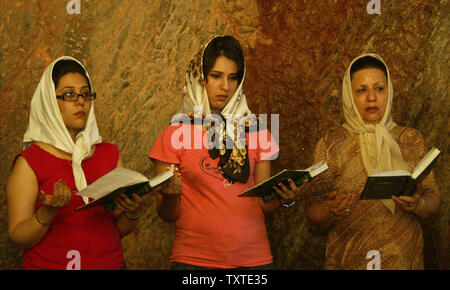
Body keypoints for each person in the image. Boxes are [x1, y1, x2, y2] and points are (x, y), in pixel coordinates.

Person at [149, 35, 305, 269]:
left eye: (233, 78)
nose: (226, 87)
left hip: (253, 261)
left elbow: (264, 204)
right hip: (194, 261)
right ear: (199, 78)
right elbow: (167, 215)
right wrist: (170, 195)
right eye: (216, 76)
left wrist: (285, 198)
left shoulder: (256, 130)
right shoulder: (176, 134)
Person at [6, 56, 145, 270]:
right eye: (69, 95)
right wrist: (48, 211)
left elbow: (115, 230)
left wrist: (133, 211)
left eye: (85, 94)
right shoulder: (30, 162)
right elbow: (18, 238)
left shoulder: (109, 154)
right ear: (50, 103)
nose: (80, 101)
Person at [304, 53, 441, 269]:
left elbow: (433, 200)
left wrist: (418, 204)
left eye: (379, 88)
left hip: (403, 259)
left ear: (389, 91)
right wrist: (331, 210)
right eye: (361, 90)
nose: (371, 97)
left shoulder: (411, 138)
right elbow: (312, 211)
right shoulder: (330, 144)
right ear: (349, 95)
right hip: (349, 259)